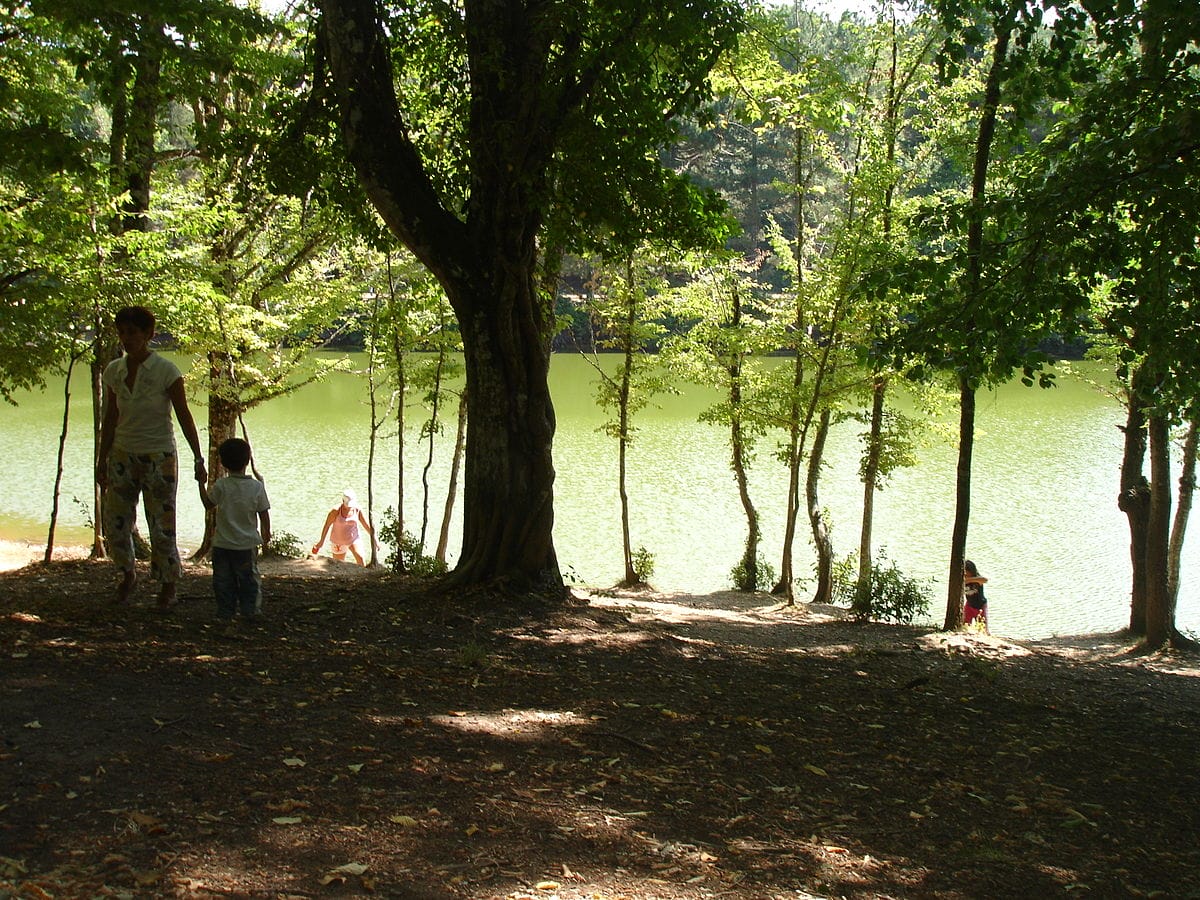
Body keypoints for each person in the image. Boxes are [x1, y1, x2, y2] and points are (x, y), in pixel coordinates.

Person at [97, 306, 207, 608]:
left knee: (161, 524)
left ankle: (168, 584)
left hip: (159, 455)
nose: (126, 338)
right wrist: (102, 459)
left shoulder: (166, 371)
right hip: (122, 453)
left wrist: (198, 456)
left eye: (132, 332)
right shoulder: (114, 371)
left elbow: (183, 415)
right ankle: (126, 575)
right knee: (116, 522)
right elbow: (110, 418)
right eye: (122, 332)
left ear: (148, 334)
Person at [197, 438, 271, 623]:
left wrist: (201, 483)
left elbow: (208, 504)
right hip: (247, 545)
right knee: (249, 579)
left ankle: (225, 612)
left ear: (223, 462)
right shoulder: (256, 487)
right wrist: (265, 534)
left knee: (222, 581)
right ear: (247, 461)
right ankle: (250, 611)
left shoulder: (222, 485)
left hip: (222, 545)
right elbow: (264, 512)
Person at [311, 490, 375, 566]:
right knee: (339, 565)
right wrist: (321, 542)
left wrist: (375, 540)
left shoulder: (357, 509)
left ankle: (363, 577)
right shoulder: (335, 511)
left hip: (353, 539)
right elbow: (327, 525)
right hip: (338, 541)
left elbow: (366, 525)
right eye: (347, 504)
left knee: (360, 559)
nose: (349, 507)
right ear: (342, 501)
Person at [963, 559, 989, 631]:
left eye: (967, 571)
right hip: (969, 605)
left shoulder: (977, 579)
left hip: (980, 606)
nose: (965, 573)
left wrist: (969, 580)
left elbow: (985, 580)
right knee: (965, 625)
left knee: (983, 628)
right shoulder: (962, 579)